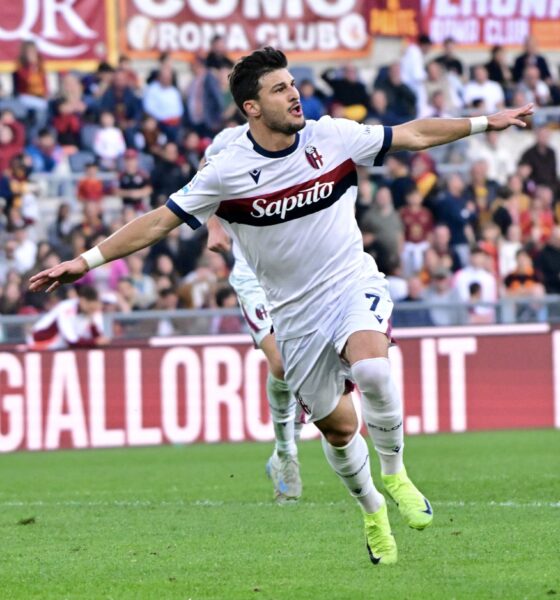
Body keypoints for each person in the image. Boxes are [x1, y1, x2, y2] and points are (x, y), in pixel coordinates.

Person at [30, 47, 533, 566]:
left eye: (293, 84)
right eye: (279, 88)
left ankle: (396, 473)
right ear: (251, 107)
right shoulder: (226, 172)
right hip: (293, 316)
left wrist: (482, 123)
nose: (295, 94)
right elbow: (159, 221)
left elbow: (413, 134)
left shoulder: (331, 136)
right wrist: (84, 261)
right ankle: (372, 508)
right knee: (339, 430)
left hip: (349, 283)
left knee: (373, 371)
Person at [203, 124, 303, 503]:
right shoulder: (229, 142)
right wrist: (214, 225)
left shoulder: (306, 138)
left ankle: (284, 451)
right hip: (252, 273)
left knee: (308, 367)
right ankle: (286, 455)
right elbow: (204, 174)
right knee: (280, 363)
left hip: (299, 272)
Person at [28, 284, 109, 350]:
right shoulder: (66, 308)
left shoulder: (92, 312)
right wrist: (95, 342)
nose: (93, 311)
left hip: (59, 348)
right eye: (91, 308)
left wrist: (92, 324)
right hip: (40, 342)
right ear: (83, 301)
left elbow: (98, 338)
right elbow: (71, 341)